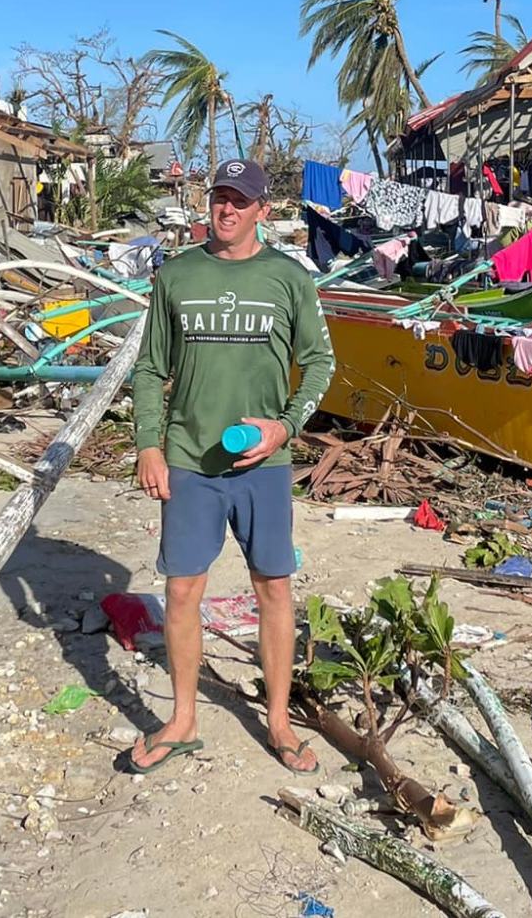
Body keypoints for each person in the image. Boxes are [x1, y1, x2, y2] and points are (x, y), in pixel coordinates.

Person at [125, 157, 336, 776]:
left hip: (263, 468)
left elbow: (320, 363)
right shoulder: (177, 275)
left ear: (263, 211)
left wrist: (285, 427)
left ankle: (277, 722)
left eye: (241, 200)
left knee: (273, 587)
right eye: (220, 197)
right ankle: (183, 718)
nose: (227, 209)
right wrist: (148, 445)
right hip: (190, 462)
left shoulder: (288, 277)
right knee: (183, 589)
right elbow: (148, 368)